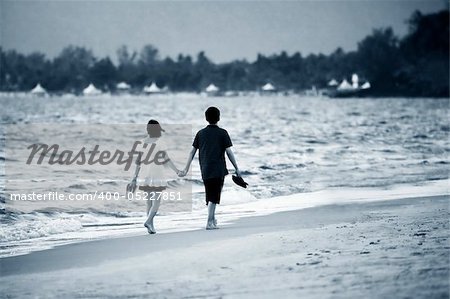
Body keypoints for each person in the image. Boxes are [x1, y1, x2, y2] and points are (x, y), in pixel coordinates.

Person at [180, 107, 242, 230]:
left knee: (210, 194)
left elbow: (192, 152)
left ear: (206, 118)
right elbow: (229, 152)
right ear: (218, 118)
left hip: (205, 169)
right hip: (218, 169)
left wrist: (186, 168)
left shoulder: (200, 133)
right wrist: (236, 168)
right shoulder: (223, 133)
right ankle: (209, 222)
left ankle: (213, 220)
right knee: (214, 195)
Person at [129, 120, 181, 234]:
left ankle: (151, 226)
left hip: (144, 175)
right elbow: (167, 159)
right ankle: (148, 221)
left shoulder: (141, 143)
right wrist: (177, 171)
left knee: (149, 202)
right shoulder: (160, 142)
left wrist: (134, 177)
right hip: (157, 174)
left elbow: (138, 163)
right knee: (156, 202)